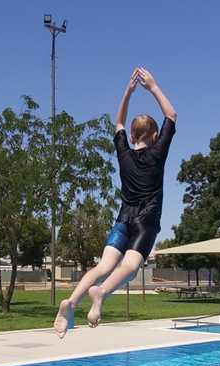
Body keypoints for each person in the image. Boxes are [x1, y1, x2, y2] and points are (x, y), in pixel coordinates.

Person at [54, 67, 176, 337]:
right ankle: (101, 294)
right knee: (130, 268)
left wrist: (127, 92)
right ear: (155, 137)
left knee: (102, 267)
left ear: (132, 137)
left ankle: (71, 302)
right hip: (146, 220)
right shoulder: (157, 153)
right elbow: (171, 115)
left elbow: (117, 124)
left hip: (122, 219)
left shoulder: (124, 154)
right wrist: (153, 87)